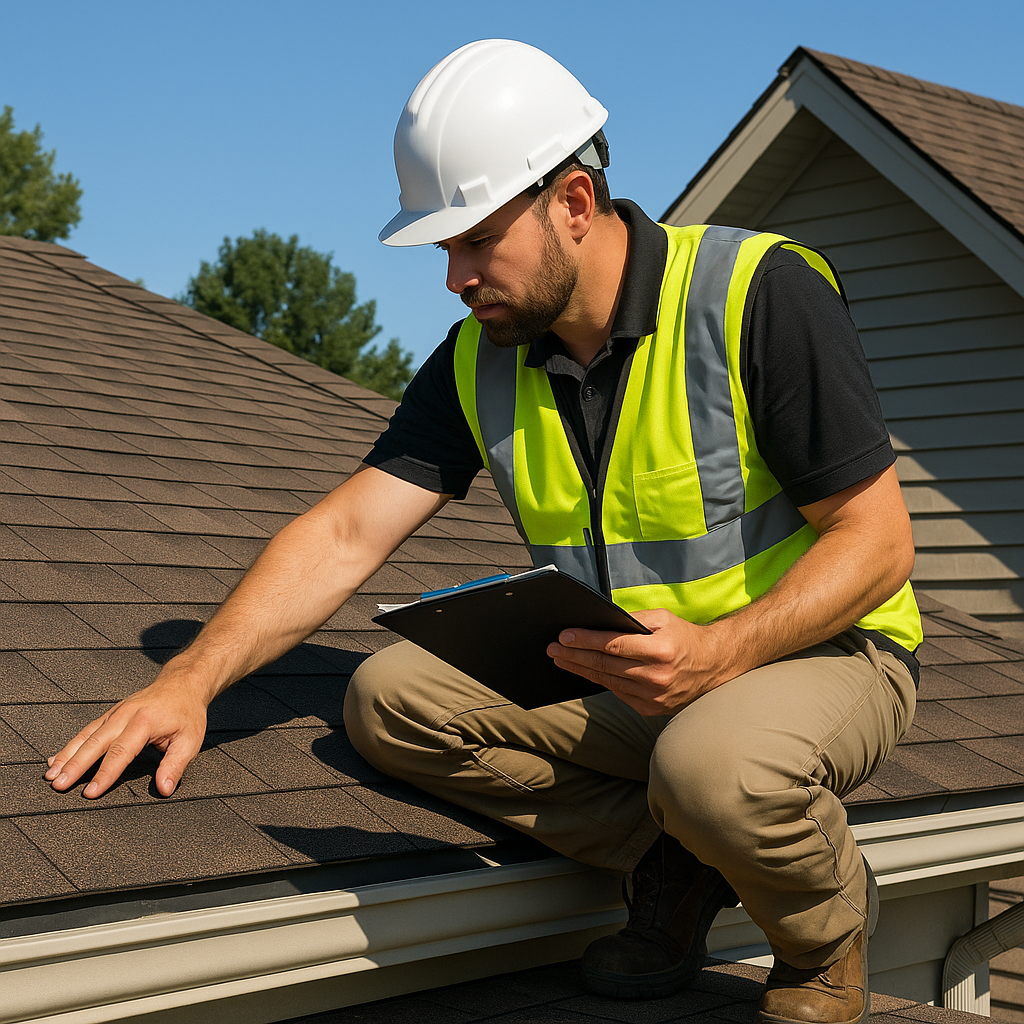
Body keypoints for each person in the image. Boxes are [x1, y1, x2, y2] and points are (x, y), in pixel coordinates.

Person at [45, 39, 920, 1024]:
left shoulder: (753, 295)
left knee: (714, 767)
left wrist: (719, 653)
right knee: (389, 700)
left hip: (820, 650)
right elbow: (343, 532)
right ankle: (678, 859)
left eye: (473, 241)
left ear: (575, 204)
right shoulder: (480, 357)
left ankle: (822, 936)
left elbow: (877, 543)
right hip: (634, 670)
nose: (454, 277)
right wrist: (189, 679)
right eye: (444, 249)